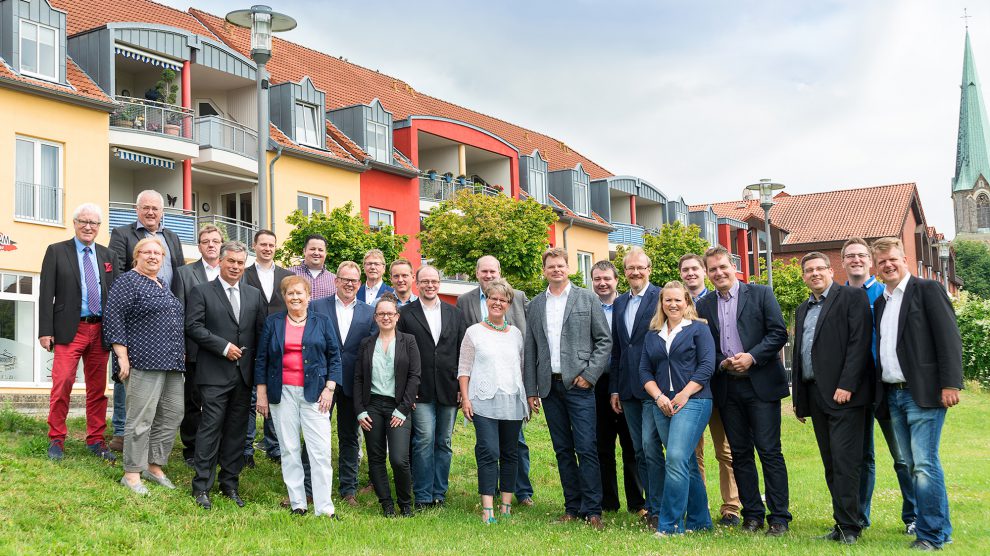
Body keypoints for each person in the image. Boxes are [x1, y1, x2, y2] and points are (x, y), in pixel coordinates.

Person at [872, 237, 963, 551]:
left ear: (904, 259)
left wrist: (950, 383)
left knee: (924, 464)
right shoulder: (881, 302)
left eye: (892, 259)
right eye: (882, 262)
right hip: (894, 394)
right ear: (877, 267)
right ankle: (941, 529)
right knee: (913, 466)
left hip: (923, 392)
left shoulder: (927, 290)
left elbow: (949, 338)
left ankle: (931, 535)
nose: (888, 265)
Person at [695, 246, 790, 536]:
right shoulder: (705, 305)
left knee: (769, 451)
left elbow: (778, 333)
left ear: (733, 266)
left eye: (723, 266)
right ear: (708, 273)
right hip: (727, 387)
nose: (718, 273)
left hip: (760, 384)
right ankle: (752, 515)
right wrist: (722, 363)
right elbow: (704, 346)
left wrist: (752, 356)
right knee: (740, 453)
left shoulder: (760, 294)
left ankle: (779, 518)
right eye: (713, 269)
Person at [523, 247, 612, 530]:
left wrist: (590, 375)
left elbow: (604, 341)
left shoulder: (587, 298)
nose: (556, 270)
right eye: (551, 266)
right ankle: (572, 507)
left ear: (569, 268)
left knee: (586, 448)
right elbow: (531, 348)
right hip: (550, 387)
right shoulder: (535, 304)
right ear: (544, 270)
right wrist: (531, 389)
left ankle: (593, 509)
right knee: (563, 449)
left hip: (580, 385)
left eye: (561, 265)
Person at [791, 252, 873, 544]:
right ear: (803, 277)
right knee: (830, 463)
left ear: (830, 270)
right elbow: (801, 355)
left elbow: (859, 344)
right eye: (808, 270)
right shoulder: (803, 309)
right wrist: (799, 400)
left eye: (819, 269)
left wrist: (847, 385)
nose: (814, 274)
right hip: (815, 396)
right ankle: (841, 524)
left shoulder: (851, 298)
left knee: (846, 463)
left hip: (844, 397)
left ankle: (851, 527)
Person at [841, 238, 916, 533]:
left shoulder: (885, 294)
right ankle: (860, 517)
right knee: (862, 457)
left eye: (861, 255)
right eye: (850, 256)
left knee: (902, 457)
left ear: (870, 261)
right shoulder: (839, 296)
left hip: (886, 386)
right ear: (843, 261)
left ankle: (913, 516)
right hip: (853, 390)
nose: (856, 260)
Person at [185, 241, 266, 510]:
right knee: (210, 429)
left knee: (236, 431)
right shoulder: (202, 291)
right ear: (220, 261)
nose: (235, 267)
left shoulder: (254, 295)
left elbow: (260, 334)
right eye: (231, 261)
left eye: (240, 263)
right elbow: (193, 326)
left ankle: (229, 483)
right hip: (214, 375)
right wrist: (222, 347)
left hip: (244, 376)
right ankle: (202, 487)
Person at [103, 237, 185, 495]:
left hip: (171, 361)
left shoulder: (161, 284)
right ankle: (131, 473)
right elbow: (113, 316)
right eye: (147, 252)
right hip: (143, 360)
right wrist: (121, 356)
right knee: (140, 419)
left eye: (157, 253)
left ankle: (153, 464)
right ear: (136, 256)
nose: (153, 257)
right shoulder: (127, 281)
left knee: (172, 413)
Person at [106, 189, 186, 452]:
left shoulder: (172, 237)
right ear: (137, 209)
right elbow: (115, 271)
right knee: (128, 377)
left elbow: (180, 274)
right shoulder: (122, 234)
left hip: (164, 313)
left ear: (162, 212)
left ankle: (150, 448)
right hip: (137, 315)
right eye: (146, 208)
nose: (151, 212)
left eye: (156, 208)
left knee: (165, 397)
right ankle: (121, 432)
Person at [256, 275, 342, 517]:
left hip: (316, 394)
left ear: (308, 297)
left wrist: (330, 388)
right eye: (290, 293)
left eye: (299, 293)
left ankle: (325, 508)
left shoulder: (322, 322)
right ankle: (298, 504)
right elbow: (262, 359)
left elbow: (335, 358)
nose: (295, 297)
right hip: (281, 393)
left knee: (320, 451)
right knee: (289, 449)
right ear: (284, 297)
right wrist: (261, 394)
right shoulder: (273, 322)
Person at [39, 203, 118, 462]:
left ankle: (96, 439)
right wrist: (45, 330)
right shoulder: (56, 251)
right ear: (74, 223)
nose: (88, 227)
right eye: (83, 221)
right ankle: (56, 439)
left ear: (99, 228)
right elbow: (45, 294)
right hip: (68, 330)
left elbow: (115, 296)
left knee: (97, 389)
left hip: (100, 329)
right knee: (62, 383)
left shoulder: (109, 256)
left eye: (93, 223)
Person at [639, 280, 715, 535]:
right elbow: (644, 370)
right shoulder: (653, 334)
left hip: (694, 400)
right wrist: (659, 396)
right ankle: (700, 521)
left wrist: (683, 394)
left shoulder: (698, 329)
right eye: (667, 300)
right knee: (686, 462)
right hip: (663, 402)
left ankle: (670, 524)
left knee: (674, 457)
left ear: (687, 302)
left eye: (678, 300)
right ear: (661, 303)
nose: (673, 304)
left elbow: (707, 366)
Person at [456, 255, 533, 506]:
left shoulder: (517, 329)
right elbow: (464, 364)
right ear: (477, 273)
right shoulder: (468, 313)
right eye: (484, 271)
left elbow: (523, 363)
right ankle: (488, 505)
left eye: (502, 300)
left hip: (512, 398)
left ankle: (517, 498)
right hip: (483, 396)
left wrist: (529, 394)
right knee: (488, 450)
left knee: (513, 449)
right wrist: (465, 396)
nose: (498, 302)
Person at [397, 265, 466, 510]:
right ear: (417, 283)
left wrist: (462, 386)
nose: (429, 285)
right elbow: (400, 355)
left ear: (440, 283)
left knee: (444, 441)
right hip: (419, 389)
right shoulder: (405, 314)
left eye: (434, 281)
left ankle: (440, 493)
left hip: (449, 387)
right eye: (424, 281)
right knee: (424, 440)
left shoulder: (454, 313)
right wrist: (406, 389)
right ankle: (424, 494)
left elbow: (462, 353)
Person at [679, 253, 740, 526]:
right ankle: (698, 505)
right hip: (689, 392)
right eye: (685, 270)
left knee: (724, 450)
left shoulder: (714, 301)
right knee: (694, 452)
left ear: (704, 271)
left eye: (695, 269)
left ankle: (731, 507)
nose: (690, 273)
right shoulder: (678, 303)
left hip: (718, 387)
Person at [312, 261, 377, 506]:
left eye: (354, 280)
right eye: (345, 279)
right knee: (317, 436)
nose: (349, 284)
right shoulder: (317, 307)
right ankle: (312, 488)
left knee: (350, 438)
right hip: (322, 383)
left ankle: (348, 490)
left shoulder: (369, 312)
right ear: (336, 281)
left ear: (359, 284)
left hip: (353, 384)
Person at [354, 294, 421, 517]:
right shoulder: (366, 344)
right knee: (376, 457)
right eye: (381, 313)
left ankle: (405, 503)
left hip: (398, 407)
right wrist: (360, 410)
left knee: (399, 459)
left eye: (389, 313)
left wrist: (402, 409)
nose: (385, 317)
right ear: (375, 318)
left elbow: (414, 376)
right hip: (372, 406)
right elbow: (358, 379)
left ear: (397, 316)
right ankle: (387, 504)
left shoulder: (408, 341)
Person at [610, 249, 662, 528]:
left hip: (655, 387)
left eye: (640, 268)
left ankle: (662, 507)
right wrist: (615, 389)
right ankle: (651, 507)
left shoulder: (661, 297)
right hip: (628, 390)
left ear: (649, 269)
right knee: (639, 450)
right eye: (630, 268)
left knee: (653, 449)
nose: (635, 272)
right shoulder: (619, 303)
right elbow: (619, 349)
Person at [591, 259, 645, 516]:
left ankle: (637, 503)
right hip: (596, 383)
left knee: (631, 445)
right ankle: (608, 501)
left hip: (627, 382)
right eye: (597, 279)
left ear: (616, 281)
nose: (602, 283)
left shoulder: (626, 305)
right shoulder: (588, 307)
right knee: (602, 445)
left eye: (607, 279)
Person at [242, 230, 293, 466]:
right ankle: (246, 449)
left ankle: (274, 447)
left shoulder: (287, 276)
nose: (267, 248)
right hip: (250, 344)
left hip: (279, 346)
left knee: (275, 396)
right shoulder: (244, 273)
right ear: (255, 246)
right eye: (263, 244)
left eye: (271, 244)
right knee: (251, 398)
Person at [175, 225, 223, 467]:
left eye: (215, 241)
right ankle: (192, 448)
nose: (211, 245)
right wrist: (181, 346)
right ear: (199, 246)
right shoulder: (184, 274)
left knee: (222, 400)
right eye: (205, 241)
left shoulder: (234, 271)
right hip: (194, 348)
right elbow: (179, 313)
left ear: (221, 244)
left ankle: (219, 447)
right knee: (193, 400)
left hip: (226, 349)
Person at [288, 234, 336, 300]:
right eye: (312, 249)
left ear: (326, 253)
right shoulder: (289, 274)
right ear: (304, 251)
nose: (316, 253)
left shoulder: (334, 280)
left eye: (320, 250)